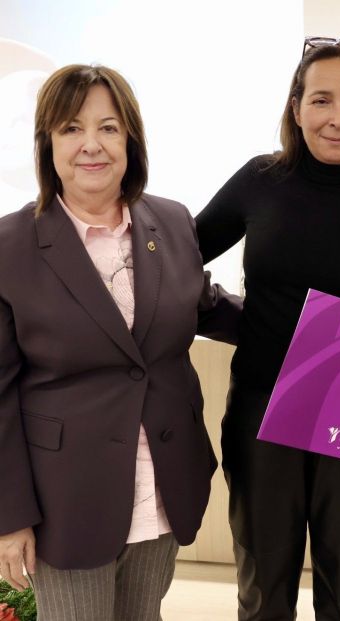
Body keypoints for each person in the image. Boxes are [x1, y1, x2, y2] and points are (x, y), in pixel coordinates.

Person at [195, 37, 340, 620]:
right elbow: (179, 258)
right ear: (296, 107)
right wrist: (237, 322)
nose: (337, 117)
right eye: (321, 99)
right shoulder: (259, 180)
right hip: (260, 411)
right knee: (262, 585)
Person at [0, 64, 241, 621]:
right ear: (47, 144)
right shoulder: (11, 246)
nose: (92, 145)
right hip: (65, 500)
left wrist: (333, 340)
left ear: (131, 138)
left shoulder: (172, 222)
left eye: (108, 128)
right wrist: (10, 516)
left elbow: (208, 307)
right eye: (70, 129)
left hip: (161, 487)